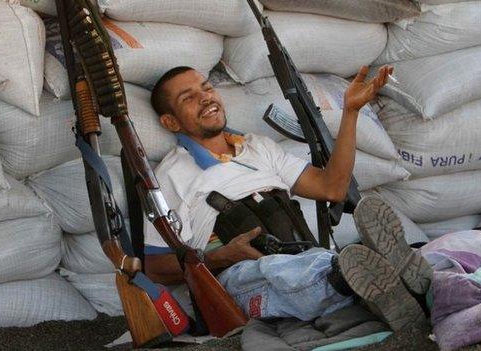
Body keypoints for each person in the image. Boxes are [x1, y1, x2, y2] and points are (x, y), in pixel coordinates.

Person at [143, 65, 430, 331]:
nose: (205, 98)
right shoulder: (169, 176)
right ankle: (364, 275)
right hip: (238, 278)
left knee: (310, 265)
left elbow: (332, 188)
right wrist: (220, 257)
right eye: (188, 98)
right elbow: (154, 267)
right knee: (288, 272)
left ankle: (366, 278)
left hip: (304, 258)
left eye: (207, 88)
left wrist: (351, 111)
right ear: (170, 122)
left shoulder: (259, 148)